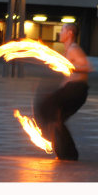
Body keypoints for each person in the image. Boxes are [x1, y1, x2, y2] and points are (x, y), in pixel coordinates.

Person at [33, 23, 93, 160]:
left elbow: (88, 67)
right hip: (73, 89)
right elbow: (68, 78)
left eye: (62, 30)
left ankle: (68, 153)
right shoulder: (67, 51)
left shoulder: (74, 48)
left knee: (47, 109)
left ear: (70, 33)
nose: (60, 33)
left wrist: (68, 65)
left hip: (77, 90)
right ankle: (67, 154)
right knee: (55, 118)